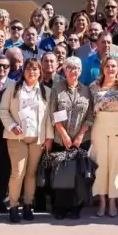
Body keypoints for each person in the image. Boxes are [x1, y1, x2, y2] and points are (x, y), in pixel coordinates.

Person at [0, 58, 53, 222]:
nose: (32, 72)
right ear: (24, 71)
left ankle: (28, 205)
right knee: (18, 173)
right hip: (17, 138)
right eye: (29, 69)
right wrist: (11, 125)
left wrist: (49, 136)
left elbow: (49, 117)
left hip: (37, 139)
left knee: (31, 174)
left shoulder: (46, 92)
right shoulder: (13, 89)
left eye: (36, 69)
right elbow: (3, 110)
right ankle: (14, 206)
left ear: (40, 72)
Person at [49, 57, 93, 219]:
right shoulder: (57, 89)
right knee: (62, 177)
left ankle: (76, 208)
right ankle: (60, 208)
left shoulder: (86, 90)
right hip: (62, 140)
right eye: (70, 68)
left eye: (76, 68)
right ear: (64, 70)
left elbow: (90, 116)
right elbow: (53, 114)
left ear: (80, 71)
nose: (73, 71)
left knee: (78, 177)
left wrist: (80, 135)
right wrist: (65, 136)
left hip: (82, 140)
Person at [89, 56, 118, 217]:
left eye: (114, 66)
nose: (110, 69)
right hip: (99, 126)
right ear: (103, 68)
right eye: (108, 66)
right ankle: (102, 201)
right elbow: (90, 109)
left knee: (116, 164)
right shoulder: (93, 86)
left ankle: (112, 201)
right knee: (100, 164)